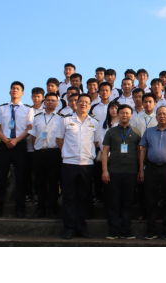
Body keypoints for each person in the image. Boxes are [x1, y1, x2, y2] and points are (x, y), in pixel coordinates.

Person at [56, 93, 102, 239]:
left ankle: (81, 228)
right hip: (69, 164)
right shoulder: (66, 120)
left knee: (83, 197)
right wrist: (66, 152)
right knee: (69, 197)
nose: (83, 104)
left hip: (86, 165)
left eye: (86, 102)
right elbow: (59, 139)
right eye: (80, 102)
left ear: (90, 106)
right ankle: (68, 228)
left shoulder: (94, 123)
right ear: (75, 104)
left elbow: (97, 142)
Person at [0, 81, 33, 218]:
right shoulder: (2, 108)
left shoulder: (27, 110)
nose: (15, 90)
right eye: (13, 88)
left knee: (20, 177)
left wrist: (16, 140)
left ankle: (20, 209)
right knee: (1, 177)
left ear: (22, 93)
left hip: (19, 145)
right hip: (5, 145)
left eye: (18, 89)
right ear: (10, 91)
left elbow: (29, 129)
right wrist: (6, 140)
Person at [139, 106, 166, 240]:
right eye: (159, 114)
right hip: (151, 168)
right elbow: (143, 150)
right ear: (156, 116)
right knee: (150, 199)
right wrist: (141, 169)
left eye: (164, 114)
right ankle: (151, 230)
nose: (162, 116)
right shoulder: (149, 132)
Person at [102, 104, 140, 239]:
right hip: (114, 171)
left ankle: (125, 231)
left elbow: (140, 153)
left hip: (131, 172)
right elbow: (105, 152)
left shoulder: (136, 132)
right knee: (113, 202)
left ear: (131, 115)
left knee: (128, 203)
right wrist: (105, 171)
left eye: (127, 113)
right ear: (118, 115)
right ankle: (113, 231)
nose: (124, 115)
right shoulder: (111, 132)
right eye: (122, 113)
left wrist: (140, 170)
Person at [29, 93, 63, 219]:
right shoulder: (37, 118)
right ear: (44, 102)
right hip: (39, 153)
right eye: (48, 100)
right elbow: (33, 135)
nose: (50, 102)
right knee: (40, 182)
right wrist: (37, 148)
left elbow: (62, 137)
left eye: (53, 100)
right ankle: (40, 209)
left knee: (53, 183)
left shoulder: (61, 119)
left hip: (54, 153)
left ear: (57, 103)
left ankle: (53, 209)